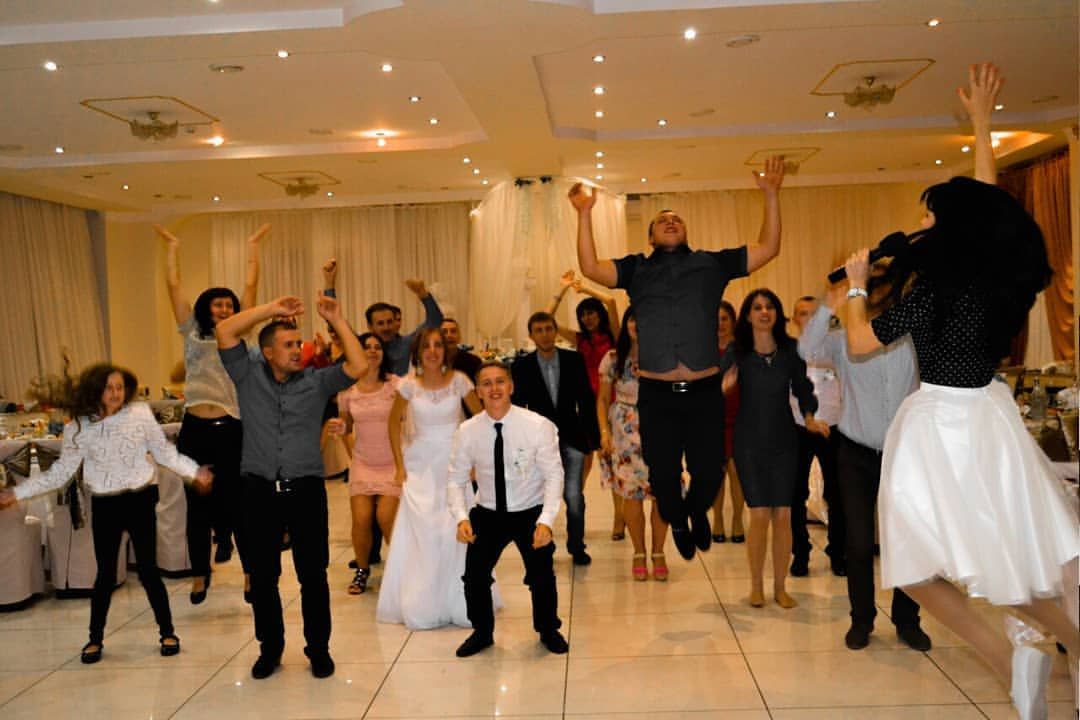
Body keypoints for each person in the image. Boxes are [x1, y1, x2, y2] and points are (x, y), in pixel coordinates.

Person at [841, 62, 1078, 720]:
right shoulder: (996, 281)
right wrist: (981, 123)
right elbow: (987, 202)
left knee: (918, 567)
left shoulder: (935, 293)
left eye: (931, 214)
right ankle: (1033, 657)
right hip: (988, 415)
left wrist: (857, 283)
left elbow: (858, 342)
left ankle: (1012, 658)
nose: (925, 221)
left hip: (942, 423)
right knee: (993, 565)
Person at [570, 157, 785, 560]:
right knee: (664, 475)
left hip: (704, 392)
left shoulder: (711, 264)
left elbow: (769, 248)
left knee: (709, 472)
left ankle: (697, 512)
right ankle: (680, 521)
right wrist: (584, 215)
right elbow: (590, 267)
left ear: (685, 231)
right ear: (650, 236)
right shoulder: (636, 270)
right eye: (662, 220)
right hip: (656, 395)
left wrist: (771, 194)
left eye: (676, 219)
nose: (670, 222)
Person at [0, 364, 213, 665]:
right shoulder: (79, 427)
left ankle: (167, 632)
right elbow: (59, 474)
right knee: (104, 575)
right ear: (95, 390)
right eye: (109, 387)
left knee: (149, 572)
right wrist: (17, 493)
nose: (115, 393)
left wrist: (194, 472)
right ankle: (95, 638)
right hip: (106, 505)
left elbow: (165, 453)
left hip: (140, 501)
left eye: (120, 387)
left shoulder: (139, 414)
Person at [216, 293, 367, 680]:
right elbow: (225, 330)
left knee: (313, 575)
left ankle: (319, 649)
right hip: (258, 490)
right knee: (263, 577)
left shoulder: (316, 381)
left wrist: (338, 318)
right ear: (267, 352)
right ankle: (270, 649)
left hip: (306, 490)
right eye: (288, 345)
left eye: (299, 343)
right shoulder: (246, 374)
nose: (298, 350)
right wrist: (270, 310)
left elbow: (359, 365)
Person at [798, 283, 930, 652]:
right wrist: (829, 303)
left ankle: (908, 620)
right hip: (855, 453)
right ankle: (862, 619)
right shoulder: (843, 341)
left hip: (904, 454)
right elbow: (806, 349)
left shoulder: (913, 339)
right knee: (857, 542)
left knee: (907, 541)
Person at [155, 222, 267, 604]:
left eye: (230, 305)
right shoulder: (190, 330)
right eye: (218, 304)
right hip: (194, 429)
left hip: (231, 427)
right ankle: (200, 574)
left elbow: (251, 285)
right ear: (206, 308)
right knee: (197, 506)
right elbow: (173, 285)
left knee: (238, 505)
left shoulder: (239, 334)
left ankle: (250, 574)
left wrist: (253, 246)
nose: (225, 309)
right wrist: (173, 246)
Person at [449, 361, 568, 657]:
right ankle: (482, 631)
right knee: (475, 577)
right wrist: (461, 517)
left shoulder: (537, 426)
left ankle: (548, 629)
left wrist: (546, 521)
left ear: (511, 387)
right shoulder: (467, 431)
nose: (494, 389)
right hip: (488, 513)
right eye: (486, 383)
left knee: (541, 576)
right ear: (478, 392)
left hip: (530, 511)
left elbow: (554, 475)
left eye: (500, 381)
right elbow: (456, 478)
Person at [376, 328, 487, 629]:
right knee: (425, 531)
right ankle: (422, 601)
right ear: (418, 353)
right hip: (420, 465)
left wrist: (476, 461)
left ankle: (461, 600)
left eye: (438, 345)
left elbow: (480, 421)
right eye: (427, 346)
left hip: (454, 462)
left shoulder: (460, 381)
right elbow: (392, 424)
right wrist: (399, 465)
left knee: (455, 528)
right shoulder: (408, 386)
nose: (433, 351)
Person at [724, 289, 827, 609]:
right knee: (758, 514)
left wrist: (809, 418)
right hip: (748, 441)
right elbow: (714, 387)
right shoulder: (737, 352)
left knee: (783, 515)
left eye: (769, 306)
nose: (764, 312)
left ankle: (780, 587)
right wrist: (724, 387)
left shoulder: (791, 350)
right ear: (748, 315)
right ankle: (756, 586)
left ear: (777, 313)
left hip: (784, 440)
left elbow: (803, 388)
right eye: (757, 307)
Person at [511, 311, 600, 566]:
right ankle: (542, 547)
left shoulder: (574, 360)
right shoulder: (522, 366)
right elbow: (518, 407)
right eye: (539, 330)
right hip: (539, 441)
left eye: (549, 329)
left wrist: (592, 439)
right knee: (539, 497)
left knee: (573, 496)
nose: (545, 334)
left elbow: (586, 400)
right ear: (531, 335)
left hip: (572, 436)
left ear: (555, 331)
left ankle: (577, 546)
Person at [548, 269, 624, 540]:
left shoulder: (614, 337)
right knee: (581, 463)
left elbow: (612, 301)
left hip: (612, 406)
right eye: (583, 314)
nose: (587, 318)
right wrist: (562, 290)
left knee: (613, 462)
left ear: (599, 315)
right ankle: (574, 513)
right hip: (586, 408)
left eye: (591, 313)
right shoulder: (580, 340)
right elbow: (547, 321)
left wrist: (584, 288)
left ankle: (619, 520)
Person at [596, 307, 670, 581]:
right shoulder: (613, 358)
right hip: (624, 430)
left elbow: (680, 391)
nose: (637, 324)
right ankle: (639, 551)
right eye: (632, 318)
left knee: (663, 492)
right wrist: (604, 432)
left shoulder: (666, 356)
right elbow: (602, 400)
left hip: (661, 426)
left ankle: (659, 552)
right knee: (631, 493)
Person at [334, 333, 401, 595]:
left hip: (393, 462)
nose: (372, 351)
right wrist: (340, 429)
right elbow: (346, 425)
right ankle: (362, 571)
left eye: (377, 347)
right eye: (366, 347)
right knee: (361, 519)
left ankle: (401, 571)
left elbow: (407, 421)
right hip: (363, 462)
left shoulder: (395, 385)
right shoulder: (347, 390)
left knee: (386, 517)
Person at [788, 295, 847, 578]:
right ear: (794, 320)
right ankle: (800, 554)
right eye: (803, 314)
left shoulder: (839, 348)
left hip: (833, 427)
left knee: (836, 493)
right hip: (798, 428)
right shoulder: (789, 352)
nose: (810, 320)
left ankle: (838, 552)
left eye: (815, 314)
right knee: (795, 494)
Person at [710, 300, 745, 545]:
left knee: (736, 472)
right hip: (711, 419)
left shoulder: (743, 350)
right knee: (716, 473)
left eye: (724, 319)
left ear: (733, 321)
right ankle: (718, 520)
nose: (720, 324)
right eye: (716, 319)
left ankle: (738, 520)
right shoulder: (703, 350)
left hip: (740, 417)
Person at [366, 279, 444, 376]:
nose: (386, 327)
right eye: (380, 323)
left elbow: (435, 321)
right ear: (370, 326)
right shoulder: (361, 349)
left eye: (389, 322)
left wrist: (423, 294)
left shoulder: (407, 343)